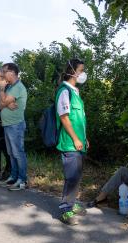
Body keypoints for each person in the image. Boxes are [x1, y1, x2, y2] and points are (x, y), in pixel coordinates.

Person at [55, 59, 89, 226]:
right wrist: (75, 138)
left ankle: (71, 202)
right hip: (70, 142)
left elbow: (79, 120)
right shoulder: (64, 91)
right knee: (71, 176)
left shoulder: (75, 91)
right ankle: (65, 209)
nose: (83, 74)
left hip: (78, 142)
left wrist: (83, 138)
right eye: (81, 70)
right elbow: (64, 117)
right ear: (72, 72)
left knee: (76, 175)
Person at [0, 63, 28, 191]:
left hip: (15, 124)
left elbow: (3, 101)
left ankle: (22, 180)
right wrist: (6, 103)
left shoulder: (17, 87)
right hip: (8, 124)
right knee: (11, 153)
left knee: (18, 152)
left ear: (12, 72)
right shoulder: (10, 87)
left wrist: (2, 90)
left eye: (4, 72)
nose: (3, 75)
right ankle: (14, 177)